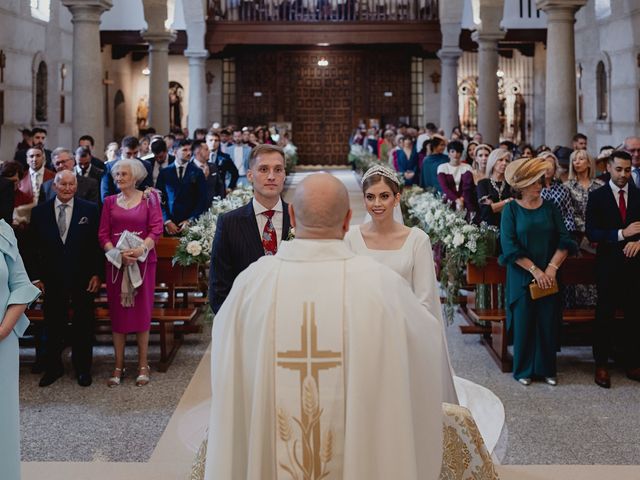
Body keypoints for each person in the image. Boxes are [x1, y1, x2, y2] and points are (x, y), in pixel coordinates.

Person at [203, 173, 445, 480]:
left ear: (291, 215)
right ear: (347, 220)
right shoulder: (383, 287)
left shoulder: (253, 284)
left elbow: (227, 366)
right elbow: (425, 344)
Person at [345, 164, 505, 451]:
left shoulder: (416, 239)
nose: (377, 204)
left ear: (397, 198)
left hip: (405, 336)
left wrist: (396, 327)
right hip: (364, 335)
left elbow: (424, 297)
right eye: (370, 197)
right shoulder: (351, 238)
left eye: (384, 196)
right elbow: (346, 291)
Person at [500, 157, 576, 385]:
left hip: (550, 272)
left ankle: (546, 369)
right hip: (522, 273)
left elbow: (565, 239)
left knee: (547, 319)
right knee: (524, 321)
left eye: (540, 181)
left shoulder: (551, 208)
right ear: (521, 185)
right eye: (534, 181)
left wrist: (551, 269)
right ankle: (523, 370)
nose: (539, 185)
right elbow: (509, 246)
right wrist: (535, 271)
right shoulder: (511, 210)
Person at [30, 171, 102, 387]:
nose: (68, 188)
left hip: (83, 277)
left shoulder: (90, 210)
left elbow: (96, 246)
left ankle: (83, 369)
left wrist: (97, 274)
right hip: (52, 278)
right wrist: (36, 277)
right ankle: (53, 368)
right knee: (53, 324)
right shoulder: (40, 212)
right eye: (64, 184)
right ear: (54, 186)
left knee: (83, 324)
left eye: (72, 184)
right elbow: (34, 248)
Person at [98, 159, 163, 387]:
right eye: (116, 175)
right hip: (116, 264)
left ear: (134, 177)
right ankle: (118, 365)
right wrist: (116, 253)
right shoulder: (109, 202)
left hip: (143, 262)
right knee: (118, 315)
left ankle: (143, 365)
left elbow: (157, 228)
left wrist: (140, 248)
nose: (119, 178)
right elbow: (103, 234)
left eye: (123, 174)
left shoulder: (149, 199)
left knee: (142, 314)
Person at [208, 144, 291, 313]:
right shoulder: (229, 223)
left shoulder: (300, 219)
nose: (271, 176)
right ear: (250, 176)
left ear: (284, 175)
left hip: (292, 320)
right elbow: (219, 288)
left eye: (278, 169)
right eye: (263, 169)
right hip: (246, 321)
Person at [586, 150, 640, 388]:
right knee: (604, 315)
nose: (623, 174)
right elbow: (592, 232)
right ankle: (601, 364)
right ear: (608, 167)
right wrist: (622, 234)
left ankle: (633, 362)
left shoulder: (638, 194)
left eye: (627, 170)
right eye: (619, 169)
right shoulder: (597, 197)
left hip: (635, 266)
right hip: (608, 265)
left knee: (634, 315)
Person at [0, 219, 41, 480]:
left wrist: (3, 330)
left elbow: (22, 286)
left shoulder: (3, 231)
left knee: (2, 423)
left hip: (2, 346)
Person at [155, 139, 208, 236]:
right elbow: (158, 199)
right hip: (169, 224)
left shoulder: (197, 172)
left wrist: (190, 220)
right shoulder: (164, 173)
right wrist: (167, 221)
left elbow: (202, 199)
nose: (189, 153)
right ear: (175, 152)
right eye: (185, 150)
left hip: (190, 224)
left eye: (190, 150)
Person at [100, 136, 153, 201]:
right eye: (128, 154)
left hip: (140, 206)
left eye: (135, 153)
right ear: (122, 150)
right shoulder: (109, 166)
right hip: (115, 206)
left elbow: (148, 190)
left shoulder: (146, 165)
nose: (132, 157)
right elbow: (105, 194)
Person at [437, 140, 477, 217]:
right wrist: (457, 200)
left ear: (461, 153)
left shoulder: (467, 167)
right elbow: (445, 188)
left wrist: (461, 199)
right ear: (448, 153)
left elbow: (468, 187)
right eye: (452, 151)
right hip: (448, 201)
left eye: (458, 151)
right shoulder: (442, 167)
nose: (455, 154)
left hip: (466, 201)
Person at [540, 151, 576, 233]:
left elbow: (569, 213)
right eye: (544, 164)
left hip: (562, 232)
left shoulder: (563, 189)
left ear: (555, 168)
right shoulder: (533, 188)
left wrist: (565, 233)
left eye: (551, 165)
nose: (547, 168)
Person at [476, 148, 514, 227]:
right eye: (500, 160)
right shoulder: (483, 184)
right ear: (493, 161)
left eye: (507, 161)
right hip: (489, 228)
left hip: (509, 225)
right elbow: (485, 211)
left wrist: (494, 206)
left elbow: (515, 208)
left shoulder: (511, 184)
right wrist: (508, 201)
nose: (504, 163)